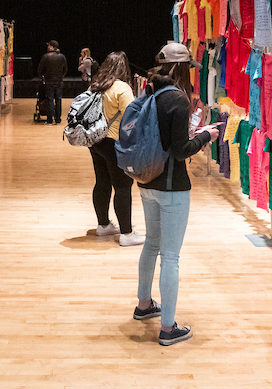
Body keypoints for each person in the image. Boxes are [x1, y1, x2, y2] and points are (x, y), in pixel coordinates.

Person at [133, 42, 218, 347]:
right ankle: (168, 328)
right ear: (182, 68)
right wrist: (207, 135)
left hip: (147, 181)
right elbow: (181, 151)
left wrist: (191, 136)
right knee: (170, 256)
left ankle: (144, 304)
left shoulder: (149, 93)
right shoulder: (179, 100)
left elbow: (167, 140)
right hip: (171, 186)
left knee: (151, 245)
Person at [87, 52, 141, 246]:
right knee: (123, 185)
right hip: (115, 142)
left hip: (95, 140)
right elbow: (131, 117)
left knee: (102, 182)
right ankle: (126, 233)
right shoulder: (122, 88)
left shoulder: (95, 85)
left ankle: (103, 225)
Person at [37, 40, 68, 124]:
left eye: (49, 46)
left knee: (49, 99)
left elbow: (40, 69)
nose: (47, 47)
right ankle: (58, 119)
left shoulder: (45, 56)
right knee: (58, 99)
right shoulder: (62, 57)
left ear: (52, 47)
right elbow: (65, 69)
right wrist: (61, 76)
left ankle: (49, 119)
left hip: (49, 81)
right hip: (59, 81)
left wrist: (42, 78)